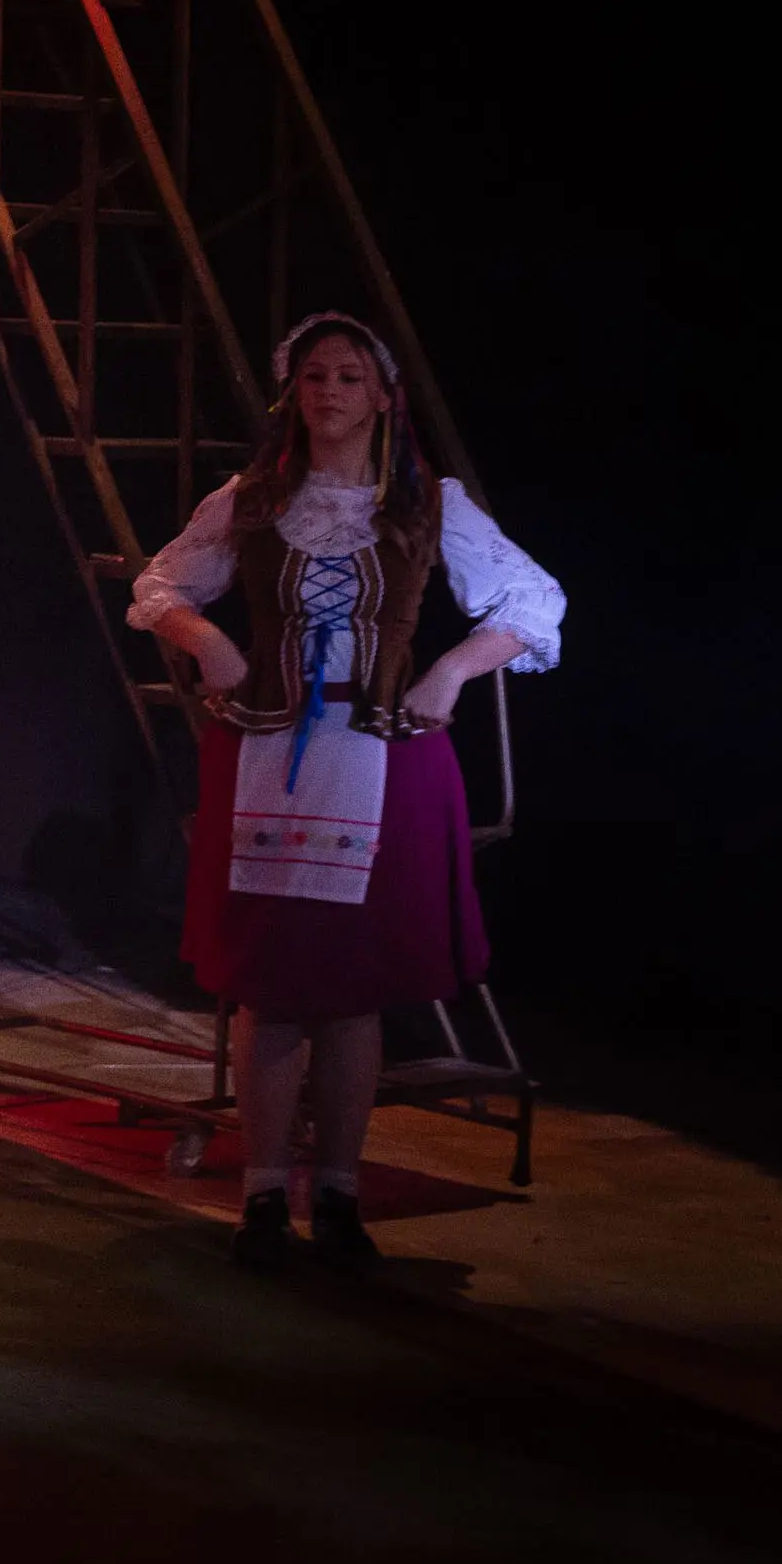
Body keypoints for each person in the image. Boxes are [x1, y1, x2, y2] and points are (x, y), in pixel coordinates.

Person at [129, 313, 561, 1269]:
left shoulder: (428, 503)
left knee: (353, 994)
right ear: (294, 392)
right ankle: (261, 1198)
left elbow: (535, 604)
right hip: (266, 750)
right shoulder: (252, 500)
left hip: (385, 758)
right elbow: (159, 586)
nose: (329, 392)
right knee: (270, 989)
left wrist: (450, 671)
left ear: (383, 397)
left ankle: (337, 1194)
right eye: (316, 376)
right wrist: (207, 641)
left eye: (350, 377)